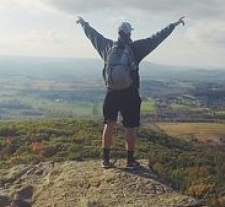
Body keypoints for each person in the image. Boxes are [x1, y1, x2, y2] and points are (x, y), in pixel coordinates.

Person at [76, 16, 185, 169]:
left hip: (111, 93)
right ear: (129, 34)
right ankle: (130, 161)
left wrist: (83, 23)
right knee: (130, 127)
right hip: (129, 93)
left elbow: (92, 35)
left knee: (109, 124)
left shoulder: (107, 47)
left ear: (118, 33)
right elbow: (156, 38)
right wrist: (173, 25)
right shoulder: (136, 48)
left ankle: (105, 160)